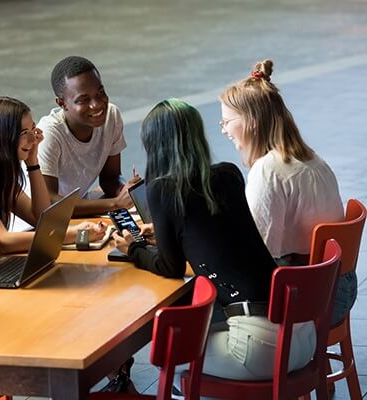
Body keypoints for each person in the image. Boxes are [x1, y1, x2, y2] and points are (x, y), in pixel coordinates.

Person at [113, 99, 316, 380]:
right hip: (303, 335)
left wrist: (133, 248)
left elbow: (169, 267)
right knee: (202, 332)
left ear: (155, 145)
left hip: (262, 346)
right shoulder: (229, 175)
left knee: (170, 351)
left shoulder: (163, 189)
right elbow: (213, 233)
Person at [220, 59, 350, 325]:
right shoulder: (313, 158)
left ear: (252, 122)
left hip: (308, 299)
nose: (224, 130)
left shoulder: (268, 171)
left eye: (227, 122)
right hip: (340, 287)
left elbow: (259, 254)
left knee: (208, 300)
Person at [0, 96, 107, 254]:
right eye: (24, 132)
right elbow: (2, 242)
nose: (33, 139)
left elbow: (40, 218)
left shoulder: (2, 175)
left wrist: (33, 162)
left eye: (33, 129)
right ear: (2, 138)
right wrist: (73, 234)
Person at [37, 56, 138, 216]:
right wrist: (115, 203)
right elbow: (48, 202)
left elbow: (110, 178)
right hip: (36, 225)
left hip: (76, 211)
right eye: (83, 100)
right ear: (62, 103)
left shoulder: (111, 115)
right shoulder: (50, 134)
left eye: (100, 93)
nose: (96, 104)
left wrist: (124, 190)